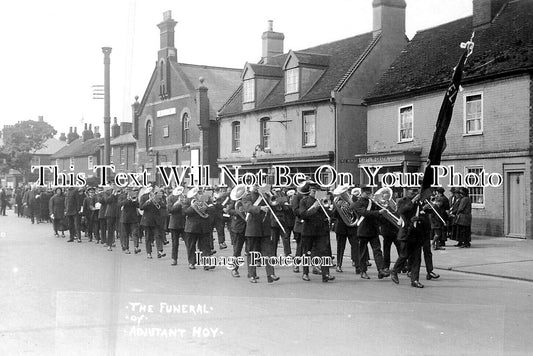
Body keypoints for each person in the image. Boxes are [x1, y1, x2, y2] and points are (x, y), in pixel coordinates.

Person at [296, 181, 335, 283]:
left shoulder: (323, 200)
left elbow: (330, 214)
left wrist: (329, 206)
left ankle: (325, 273)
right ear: (310, 191)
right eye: (313, 191)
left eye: (317, 191)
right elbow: (303, 215)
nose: (315, 193)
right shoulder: (304, 201)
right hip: (308, 231)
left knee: (324, 252)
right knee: (306, 253)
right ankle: (305, 273)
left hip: (321, 231)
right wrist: (315, 207)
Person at [242, 185, 279, 283]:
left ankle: (270, 274)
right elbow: (248, 208)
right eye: (255, 185)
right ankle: (252, 275)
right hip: (253, 229)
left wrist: (272, 198)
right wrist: (260, 208)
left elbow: (273, 207)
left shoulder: (265, 196)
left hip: (265, 228)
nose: (257, 187)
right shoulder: (247, 196)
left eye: (258, 185)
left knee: (268, 253)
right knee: (253, 253)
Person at [390, 187, 425, 288]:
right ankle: (394, 271)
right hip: (406, 232)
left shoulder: (419, 203)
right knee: (404, 255)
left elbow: (423, 215)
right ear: (407, 191)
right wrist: (413, 201)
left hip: (417, 233)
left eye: (416, 190)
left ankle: (414, 280)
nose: (414, 192)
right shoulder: (402, 201)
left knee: (417, 258)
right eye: (412, 190)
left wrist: (420, 218)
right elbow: (402, 210)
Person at [353, 187, 389, 280]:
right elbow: (365, 213)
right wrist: (378, 211)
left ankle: (380, 270)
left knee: (377, 251)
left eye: (370, 193)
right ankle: (363, 271)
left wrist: (382, 207)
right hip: (363, 230)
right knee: (363, 253)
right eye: (367, 193)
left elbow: (377, 214)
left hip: (373, 230)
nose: (369, 195)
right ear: (362, 193)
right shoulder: (357, 203)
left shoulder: (371, 202)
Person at [183, 187, 212, 269]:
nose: (199, 194)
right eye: (197, 192)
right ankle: (192, 262)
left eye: (200, 192)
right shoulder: (188, 200)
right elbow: (185, 211)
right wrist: (194, 207)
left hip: (204, 226)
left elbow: (212, 209)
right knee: (191, 246)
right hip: (192, 227)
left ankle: (206, 264)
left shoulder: (206, 199)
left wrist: (206, 208)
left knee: (205, 246)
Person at [227, 184, 247, 277]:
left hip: (248, 226)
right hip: (238, 227)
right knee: (237, 250)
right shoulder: (234, 200)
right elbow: (229, 210)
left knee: (251, 249)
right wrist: (239, 211)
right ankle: (234, 269)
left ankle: (252, 273)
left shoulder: (247, 198)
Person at [167, 186, 186, 265]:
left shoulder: (185, 197)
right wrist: (177, 203)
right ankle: (174, 259)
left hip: (184, 223)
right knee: (175, 243)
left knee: (189, 242)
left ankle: (192, 261)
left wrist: (184, 203)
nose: (180, 193)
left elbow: (186, 210)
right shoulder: (170, 198)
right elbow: (170, 210)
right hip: (174, 223)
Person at [120, 188, 140, 255]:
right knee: (126, 234)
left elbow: (138, 205)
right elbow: (120, 204)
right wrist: (128, 200)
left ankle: (136, 247)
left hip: (133, 218)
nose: (129, 191)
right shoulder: (122, 196)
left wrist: (134, 200)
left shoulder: (134, 196)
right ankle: (126, 248)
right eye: (127, 189)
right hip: (125, 218)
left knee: (135, 233)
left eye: (130, 189)